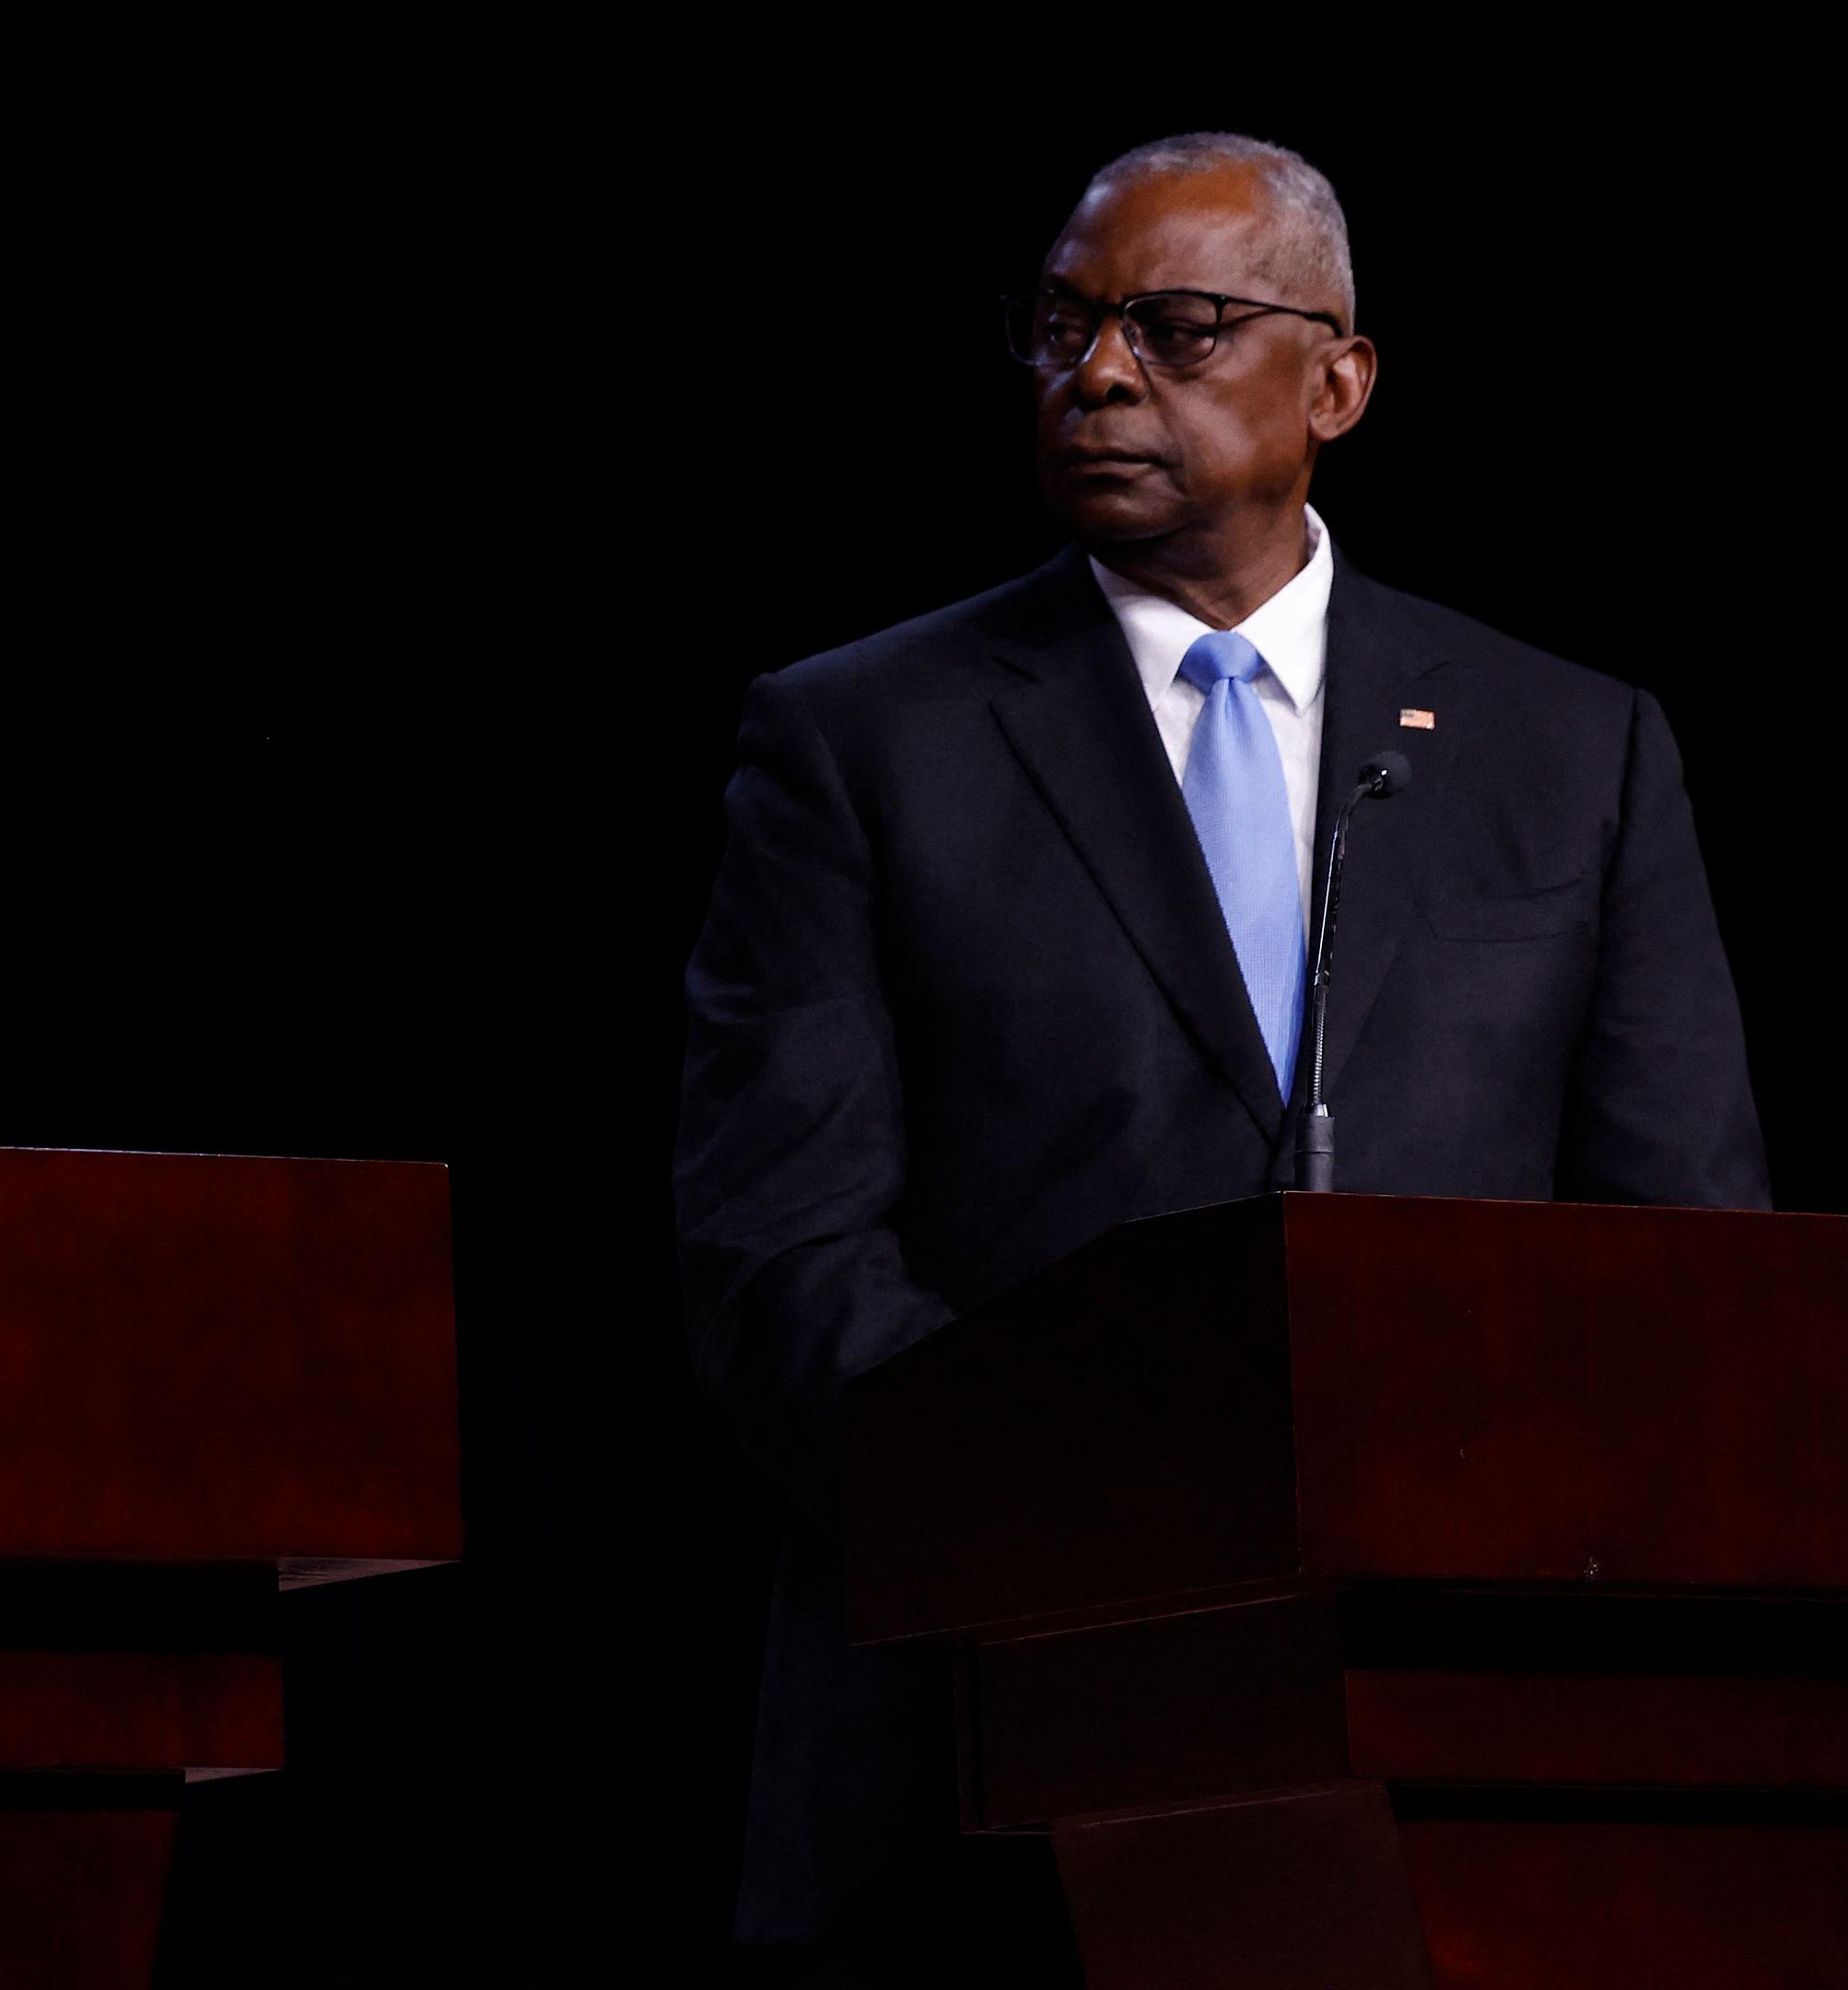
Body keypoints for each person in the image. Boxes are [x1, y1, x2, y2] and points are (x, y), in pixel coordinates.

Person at [675, 132, 1765, 1984]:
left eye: (1178, 328)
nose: (1098, 375)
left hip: (1473, 1765)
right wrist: (1114, 1528)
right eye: (1063, 328)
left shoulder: (1572, 751)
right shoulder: (863, 742)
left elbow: (1684, 1273)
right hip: (997, 1754)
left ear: (1336, 382)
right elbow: (780, 1264)